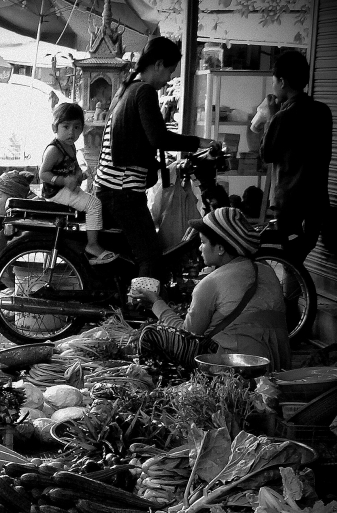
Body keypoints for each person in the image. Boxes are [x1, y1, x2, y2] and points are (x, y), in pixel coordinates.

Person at [94, 36, 215, 279]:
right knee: (150, 256)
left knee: (129, 252)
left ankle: (125, 304)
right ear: (158, 64)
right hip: (123, 192)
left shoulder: (126, 89)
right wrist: (200, 142)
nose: (170, 77)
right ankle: (148, 310)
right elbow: (158, 138)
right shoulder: (144, 91)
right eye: (170, 70)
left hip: (110, 188)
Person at [138, 206, 291, 370]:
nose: (199, 248)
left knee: (150, 334)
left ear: (220, 248)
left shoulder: (211, 282)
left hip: (235, 365)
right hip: (275, 363)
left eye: (203, 242)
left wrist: (157, 303)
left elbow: (187, 334)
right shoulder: (268, 271)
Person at [258, 50, 333, 263]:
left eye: (273, 81)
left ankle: (290, 294)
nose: (273, 86)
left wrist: (271, 116)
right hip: (316, 198)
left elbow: (267, 154)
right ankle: (297, 290)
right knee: (302, 247)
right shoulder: (322, 112)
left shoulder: (283, 117)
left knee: (289, 252)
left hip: (289, 201)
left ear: (282, 82)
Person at [39, 101, 116, 265]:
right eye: (66, 127)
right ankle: (93, 245)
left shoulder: (71, 147)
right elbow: (43, 174)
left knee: (91, 201)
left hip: (63, 190)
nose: (71, 132)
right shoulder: (54, 150)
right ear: (55, 128)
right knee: (94, 205)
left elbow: (71, 169)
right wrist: (63, 181)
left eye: (76, 127)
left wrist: (80, 175)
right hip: (55, 192)